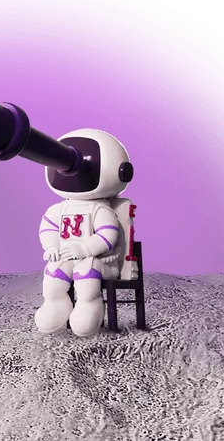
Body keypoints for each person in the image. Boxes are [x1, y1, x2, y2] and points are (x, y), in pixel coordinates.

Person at [34, 128, 135, 336]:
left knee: (86, 272)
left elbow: (107, 236)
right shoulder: (58, 209)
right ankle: (55, 303)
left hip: (101, 261)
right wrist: (52, 247)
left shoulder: (101, 210)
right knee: (54, 271)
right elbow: (48, 228)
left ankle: (89, 306)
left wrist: (84, 248)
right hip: (68, 257)